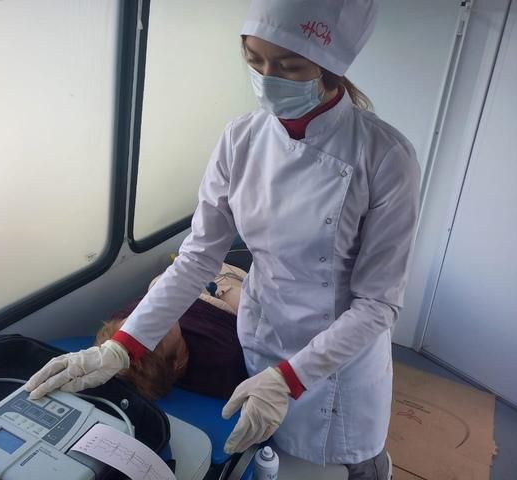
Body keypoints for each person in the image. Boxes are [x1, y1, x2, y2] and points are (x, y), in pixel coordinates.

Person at [26, 1, 420, 478]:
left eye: (289, 66)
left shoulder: (385, 157)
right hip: (262, 334)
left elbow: (377, 304)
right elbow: (197, 258)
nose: (268, 78)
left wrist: (290, 377)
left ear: (330, 68)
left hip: (340, 362)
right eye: (255, 60)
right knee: (270, 459)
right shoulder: (241, 139)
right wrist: (123, 346)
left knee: (351, 464)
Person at [94, 263, 249, 400]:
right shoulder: (225, 355)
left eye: (133, 323)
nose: (151, 318)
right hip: (224, 296)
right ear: (177, 364)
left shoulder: (122, 320)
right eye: (157, 334)